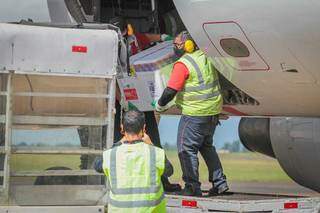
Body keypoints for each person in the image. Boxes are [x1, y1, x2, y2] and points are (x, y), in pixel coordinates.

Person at [110, 16, 181, 192]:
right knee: (119, 140)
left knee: (152, 137)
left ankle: (162, 179)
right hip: (122, 101)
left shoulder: (133, 39)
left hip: (140, 96)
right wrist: (124, 99)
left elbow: (148, 38)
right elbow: (111, 77)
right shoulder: (110, 47)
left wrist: (164, 37)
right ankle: (119, 179)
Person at [155, 31, 229, 197]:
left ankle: (192, 186)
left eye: (177, 45)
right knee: (207, 147)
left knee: (186, 149)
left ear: (188, 45)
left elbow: (171, 90)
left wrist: (160, 106)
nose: (175, 48)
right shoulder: (204, 56)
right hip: (212, 113)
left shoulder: (183, 63)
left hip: (194, 114)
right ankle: (220, 183)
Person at [95, 110, 166, 212]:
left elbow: (97, 166)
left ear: (122, 128)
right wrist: (150, 143)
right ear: (144, 128)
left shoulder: (111, 154)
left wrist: (119, 142)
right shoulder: (154, 153)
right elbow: (169, 170)